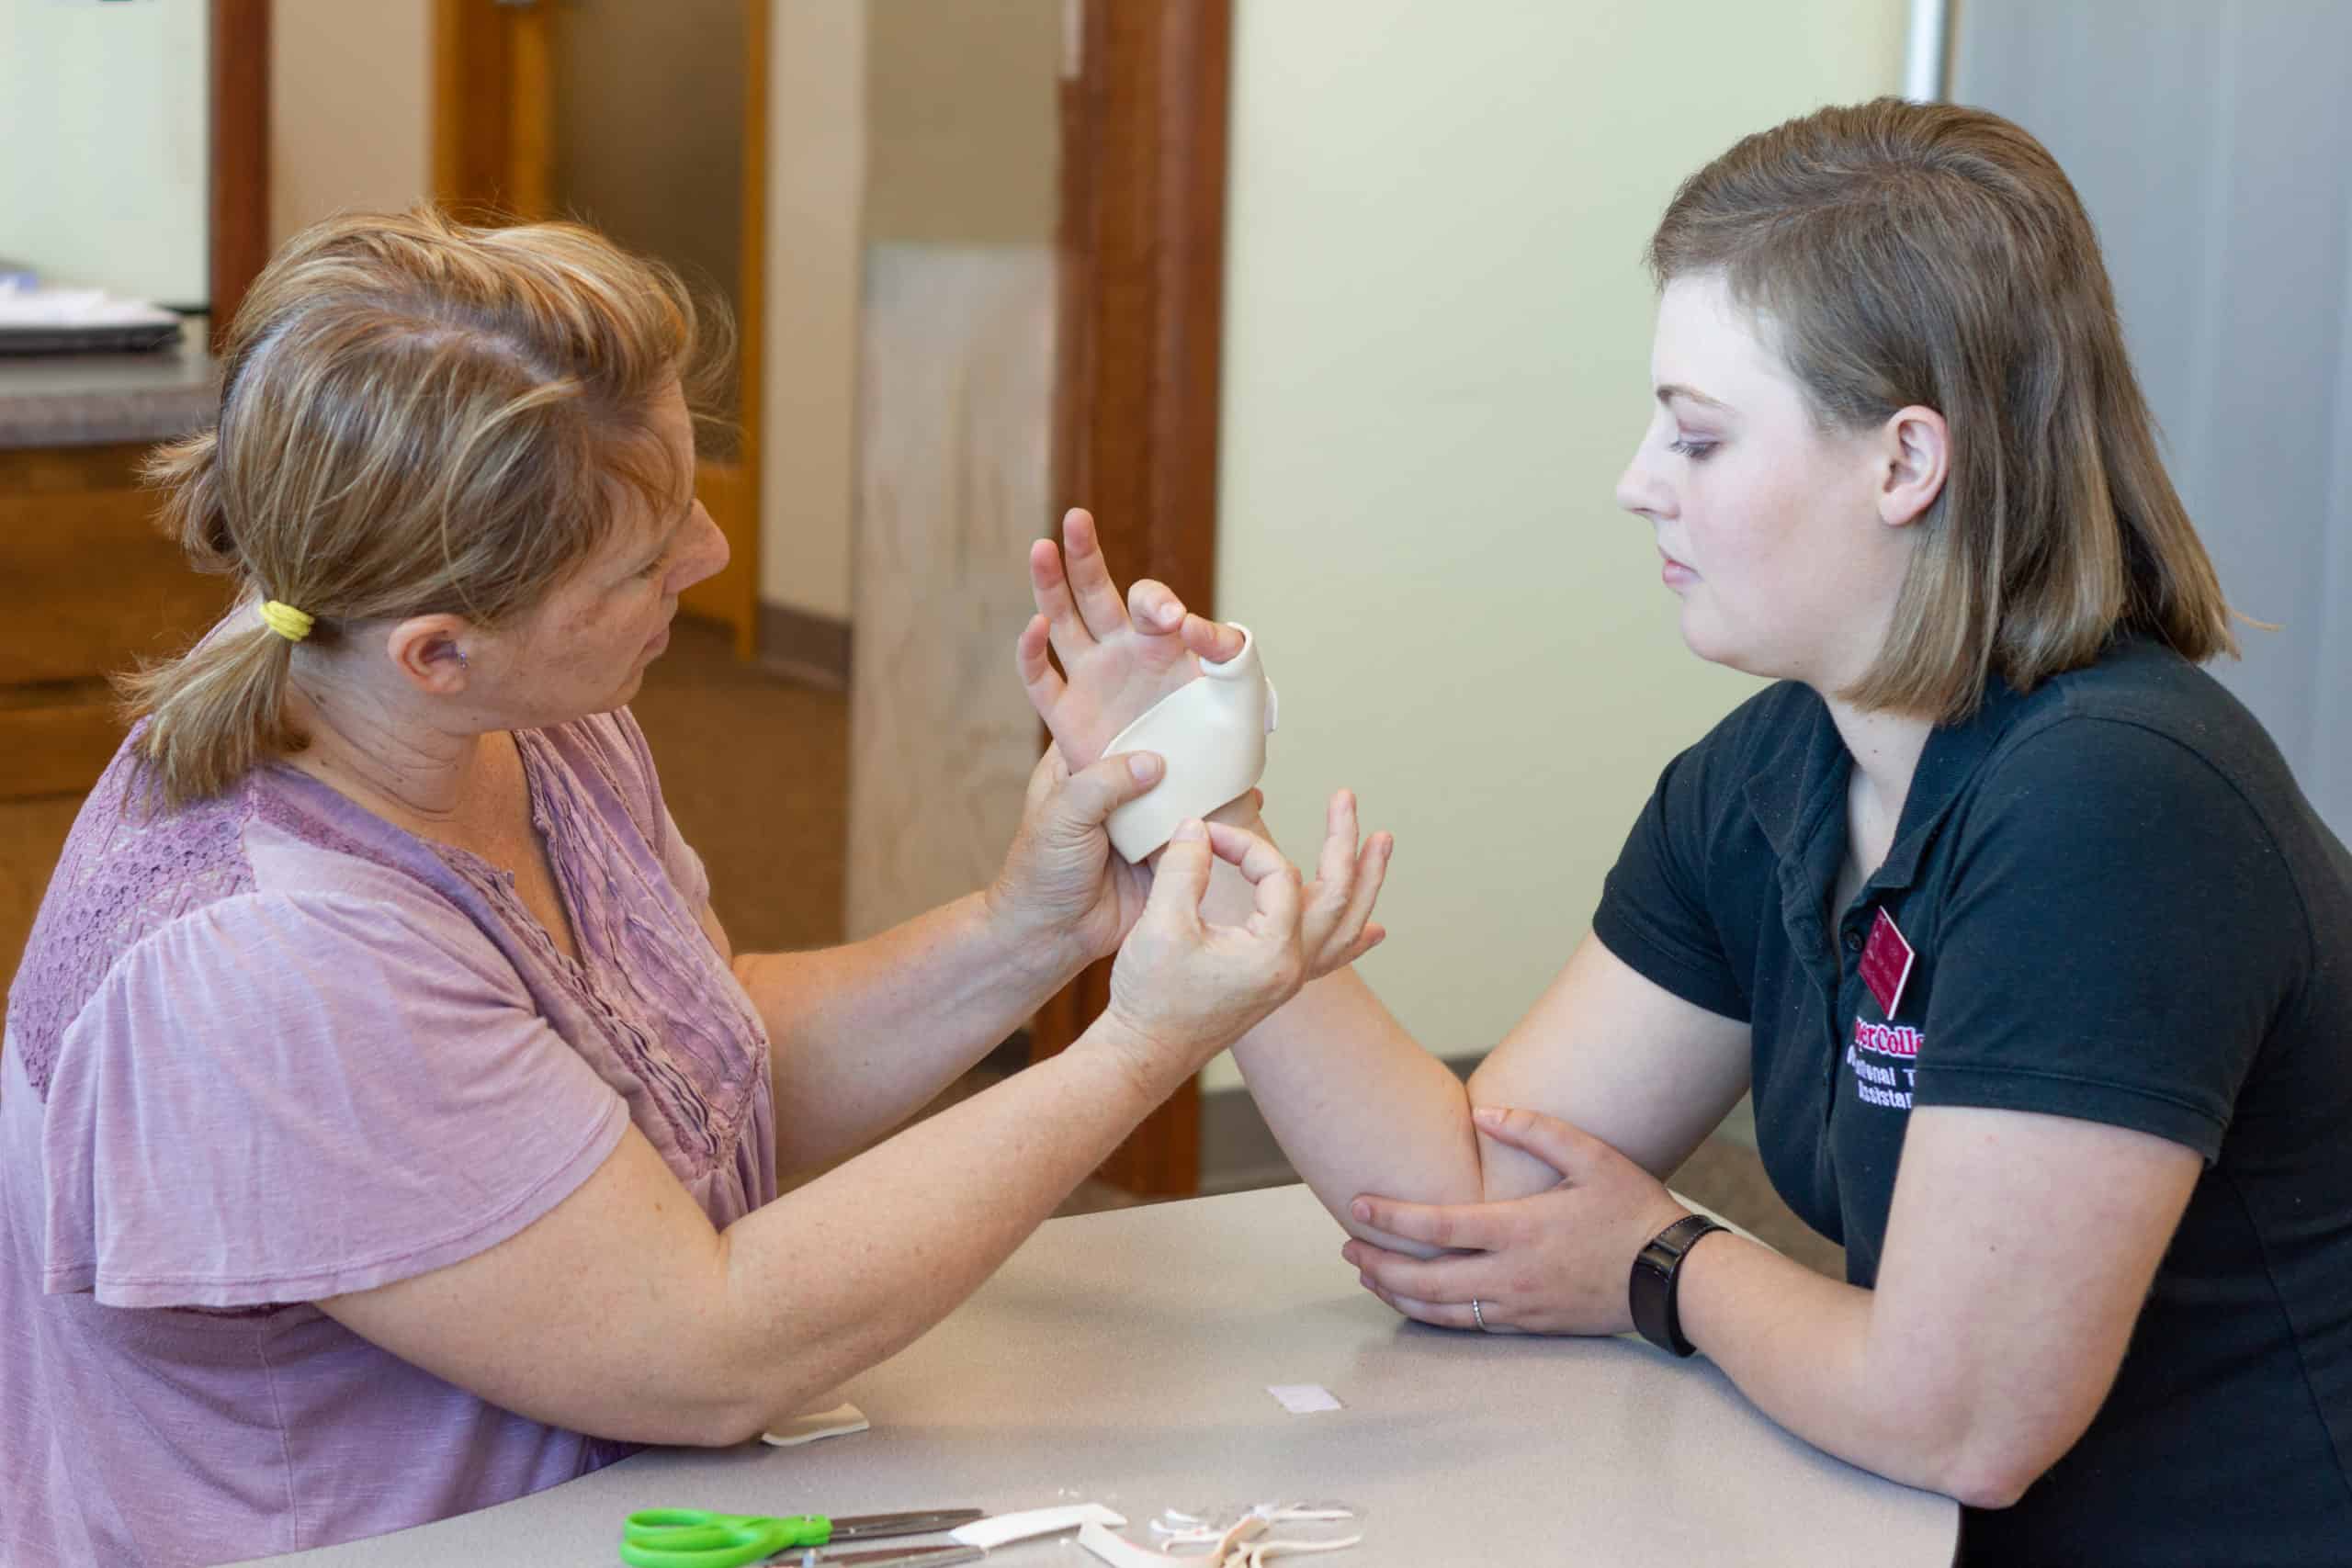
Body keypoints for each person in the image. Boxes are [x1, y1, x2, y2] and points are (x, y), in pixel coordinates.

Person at [1023, 100, 2352, 1563]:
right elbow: (1460, 1218)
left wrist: (1665, 1262)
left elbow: (1967, 1417)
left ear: (1908, 463)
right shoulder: (1773, 772)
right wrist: (1192, 800)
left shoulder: (2115, 806)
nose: (1637, 480)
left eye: (1698, 436)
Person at [0, 209, 1385, 1568]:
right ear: (439, 649)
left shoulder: (503, 711)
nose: (713, 558)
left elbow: (693, 1073)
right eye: (648, 556)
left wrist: (1029, 932)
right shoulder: (268, 961)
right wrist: (1143, 1046)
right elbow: (699, 1349)